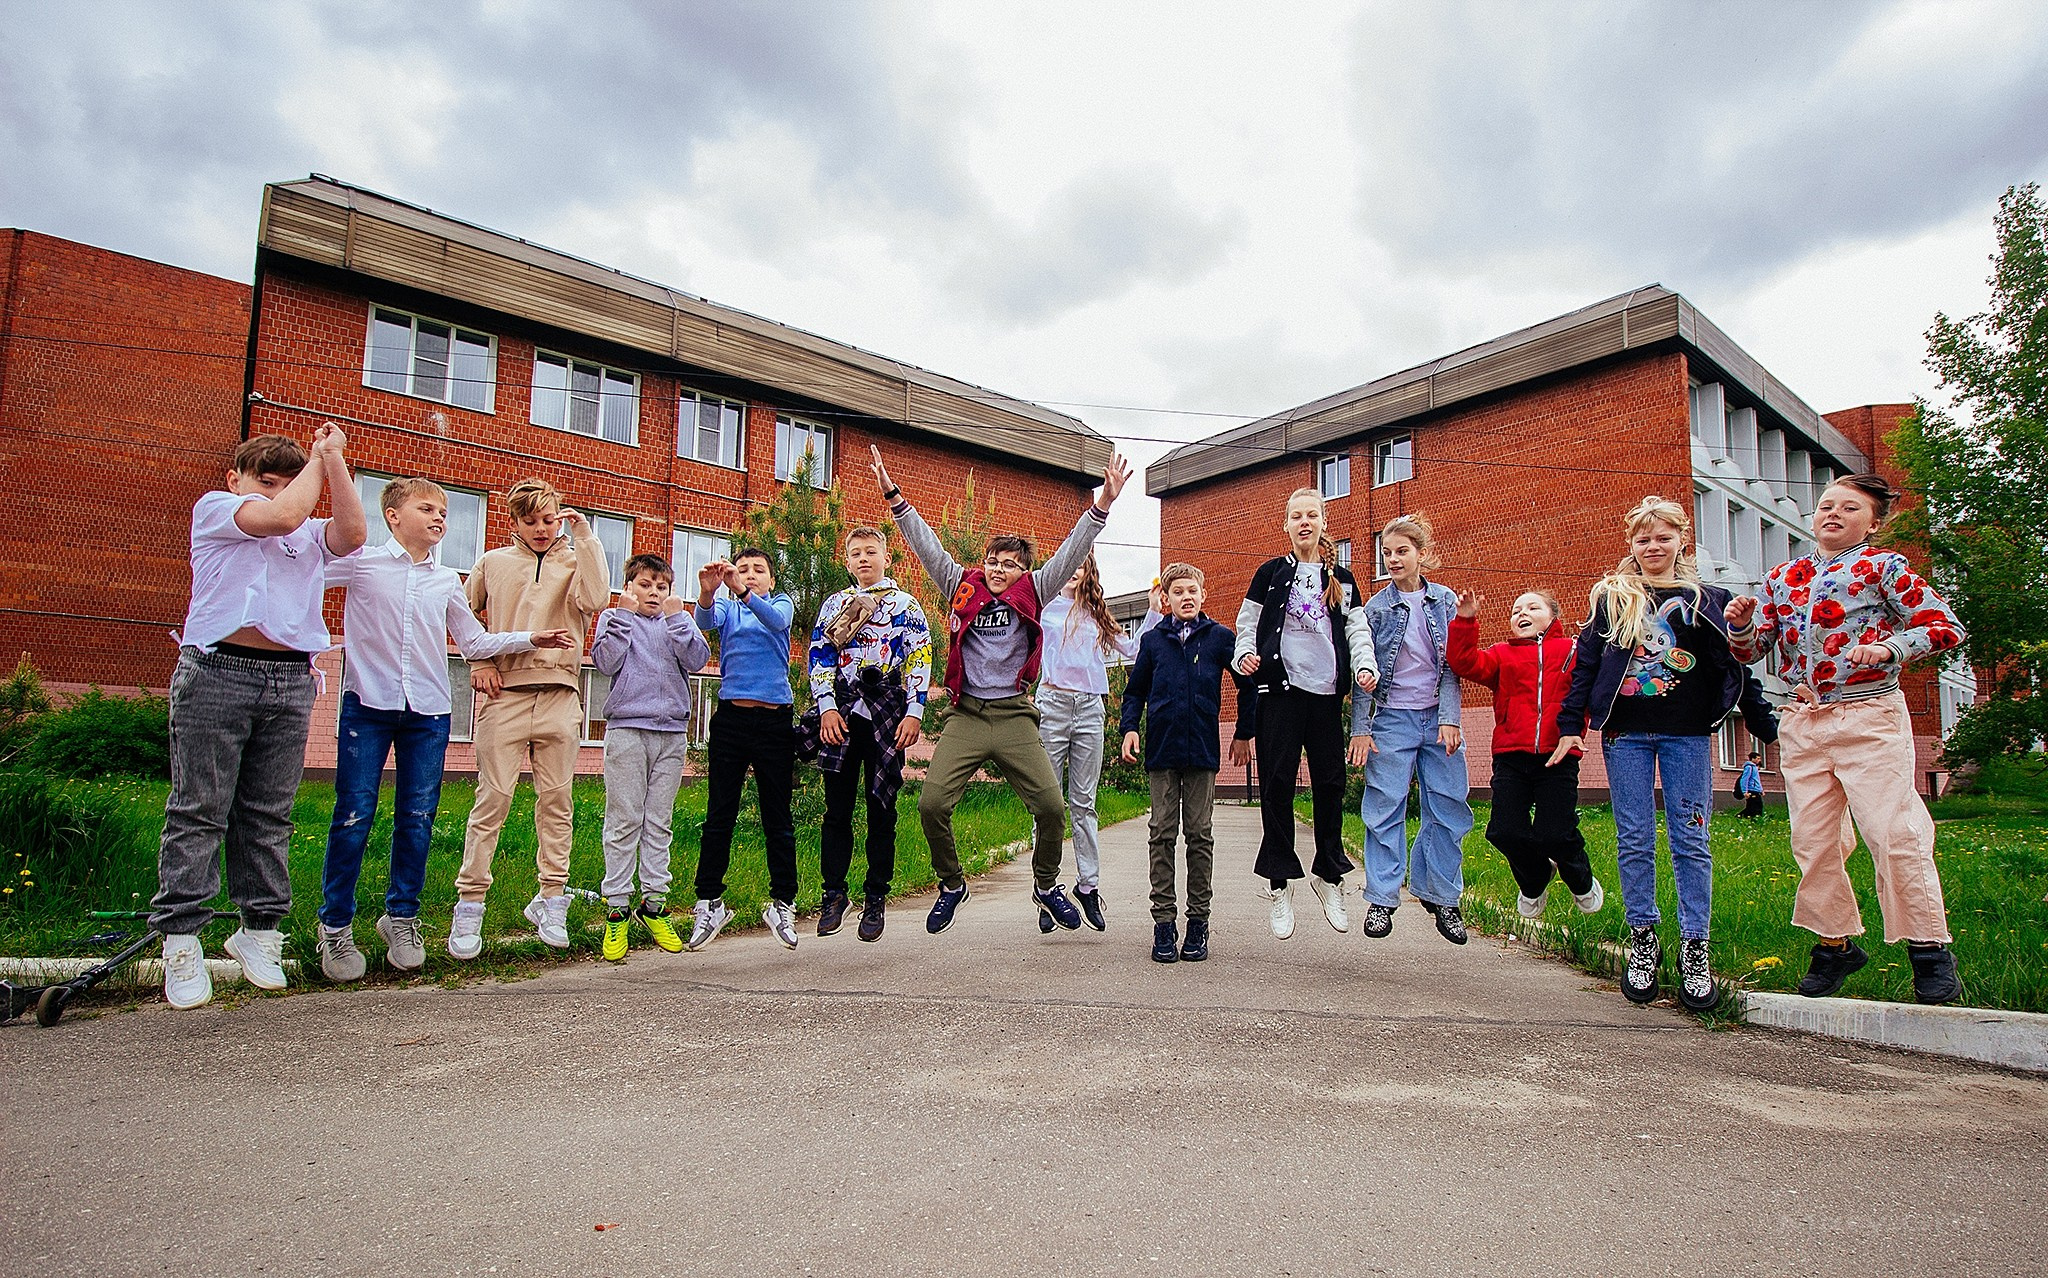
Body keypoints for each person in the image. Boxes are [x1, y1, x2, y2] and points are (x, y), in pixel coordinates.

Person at [871, 444, 1134, 935]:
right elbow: (926, 544)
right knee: (931, 805)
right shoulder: (960, 584)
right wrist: (893, 495)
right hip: (967, 716)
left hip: (1014, 716)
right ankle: (952, 885)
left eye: (1008, 564)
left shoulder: (1036, 589)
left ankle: (1046, 885)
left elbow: (1072, 550)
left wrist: (1103, 506)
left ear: (1022, 571)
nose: (996, 568)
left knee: (1054, 808)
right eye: (992, 560)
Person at [317, 477, 572, 981]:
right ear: (393, 515)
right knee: (354, 815)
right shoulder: (361, 563)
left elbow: (474, 641)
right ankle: (336, 926)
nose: (439, 518)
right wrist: (301, 646)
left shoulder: (443, 581)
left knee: (416, 819)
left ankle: (402, 916)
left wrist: (529, 638)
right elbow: (301, 578)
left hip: (428, 713)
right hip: (367, 706)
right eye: (427, 508)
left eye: (443, 511)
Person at [1726, 473, 1966, 1004]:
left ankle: (1928, 949)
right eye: (1827, 505)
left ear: (1872, 523)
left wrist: (1890, 649)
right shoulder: (1782, 577)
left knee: (1892, 832)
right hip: (1805, 720)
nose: (1833, 513)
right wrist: (1741, 626)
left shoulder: (1883, 567)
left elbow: (1943, 624)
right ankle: (1834, 945)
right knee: (1813, 841)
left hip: (1869, 718)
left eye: (1849, 508)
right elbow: (1751, 652)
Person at [154, 427, 367, 1009]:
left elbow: (351, 534)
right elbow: (277, 515)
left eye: (283, 480)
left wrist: (335, 459)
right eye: (264, 481)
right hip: (218, 672)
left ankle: (259, 932)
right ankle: (180, 939)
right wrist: (311, 469)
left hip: (291, 679)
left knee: (268, 815)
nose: (277, 491)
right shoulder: (219, 510)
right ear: (237, 481)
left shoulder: (308, 533)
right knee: (200, 808)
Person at [1552, 495, 1777, 1011]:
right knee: (1634, 838)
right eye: (1643, 539)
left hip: (1688, 737)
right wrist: (1571, 726)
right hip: (1625, 736)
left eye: (1663, 537)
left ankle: (1695, 947)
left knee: (1690, 838)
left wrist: (1764, 724)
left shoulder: (1708, 599)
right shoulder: (1613, 598)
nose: (1653, 546)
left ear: (1682, 540)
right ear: (1631, 544)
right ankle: (1644, 940)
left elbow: (1735, 666)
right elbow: (1585, 666)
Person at [452, 478, 609, 959]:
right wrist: (477, 661)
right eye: (530, 521)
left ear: (560, 515)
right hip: (507, 694)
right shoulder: (493, 563)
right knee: (492, 800)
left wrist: (585, 538)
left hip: (561, 693)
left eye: (548, 518)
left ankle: (552, 898)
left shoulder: (574, 559)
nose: (541, 529)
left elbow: (597, 599)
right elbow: (457, 609)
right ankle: (470, 904)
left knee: (557, 801)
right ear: (514, 522)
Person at [1233, 487, 1378, 940]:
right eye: (1296, 516)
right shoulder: (1271, 573)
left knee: (1330, 783)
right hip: (1280, 693)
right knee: (1276, 784)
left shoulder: (1344, 578)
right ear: (1286, 526)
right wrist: (1244, 656)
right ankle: (1279, 883)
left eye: (1311, 515)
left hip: (1325, 696)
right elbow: (1247, 624)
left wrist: (1365, 666)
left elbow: (1357, 630)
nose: (1304, 522)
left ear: (1322, 522)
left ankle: (1328, 876)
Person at [1445, 585, 1604, 921]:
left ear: (1553, 617)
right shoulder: (1502, 654)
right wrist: (1465, 620)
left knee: (1555, 834)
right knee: (1503, 830)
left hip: (1558, 756)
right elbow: (1463, 662)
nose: (1522, 614)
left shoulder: (1573, 652)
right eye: (1517, 610)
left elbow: (1590, 689)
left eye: (1532, 608)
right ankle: (1534, 881)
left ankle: (1581, 879)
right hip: (1511, 756)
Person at [1120, 563, 1248, 963]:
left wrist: (1245, 732)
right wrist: (1129, 729)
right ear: (1166, 599)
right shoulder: (1154, 642)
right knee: (1161, 833)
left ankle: (1198, 923)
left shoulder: (1219, 638)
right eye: (1178, 592)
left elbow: (1248, 684)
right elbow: (1134, 692)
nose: (1186, 597)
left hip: (1202, 753)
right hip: (1161, 751)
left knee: (1199, 835)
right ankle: (1163, 923)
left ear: (1203, 595)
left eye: (1192, 590)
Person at [808, 528, 931, 943]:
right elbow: (820, 654)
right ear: (847, 562)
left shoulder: (905, 606)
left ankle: (876, 896)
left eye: (871, 552)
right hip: (841, 713)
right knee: (836, 810)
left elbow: (919, 655)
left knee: (882, 810)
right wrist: (825, 705)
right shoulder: (835, 605)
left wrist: (915, 711)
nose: (864, 559)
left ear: (886, 558)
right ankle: (834, 894)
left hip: (887, 714)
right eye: (856, 553)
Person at [1356, 513, 1473, 945]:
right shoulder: (1376, 608)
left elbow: (1453, 666)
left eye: (1402, 551)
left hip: (1438, 720)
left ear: (1422, 555)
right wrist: (1360, 730)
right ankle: (1383, 899)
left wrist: (1450, 718)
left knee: (1448, 807)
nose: (1393, 559)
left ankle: (1442, 897)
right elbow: (1362, 670)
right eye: (1386, 553)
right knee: (1384, 807)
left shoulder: (1444, 602)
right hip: (1391, 720)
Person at [590, 553, 712, 961]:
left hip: (671, 734)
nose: (654, 593)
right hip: (627, 730)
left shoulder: (676, 622)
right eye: (645, 585)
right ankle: (617, 909)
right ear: (629, 587)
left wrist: (681, 620)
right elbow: (605, 662)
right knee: (624, 820)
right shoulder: (614, 618)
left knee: (659, 822)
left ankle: (654, 904)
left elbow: (698, 661)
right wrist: (623, 616)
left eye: (662, 586)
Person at [1036, 555, 1159, 932]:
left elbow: (1134, 650)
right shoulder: (1042, 608)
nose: (1075, 571)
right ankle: (1045, 892)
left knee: (1083, 803)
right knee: (1048, 804)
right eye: (1069, 564)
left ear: (1089, 573)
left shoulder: (1096, 614)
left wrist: (1153, 611)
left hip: (1090, 706)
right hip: (1052, 705)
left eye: (1082, 566)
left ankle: (1088, 886)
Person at [691, 548, 800, 951]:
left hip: (774, 722)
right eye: (743, 570)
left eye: (759, 570)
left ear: (771, 579)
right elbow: (705, 622)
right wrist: (707, 593)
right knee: (720, 813)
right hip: (732, 720)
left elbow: (778, 623)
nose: (750, 575)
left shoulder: (779, 602)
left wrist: (742, 591)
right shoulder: (726, 605)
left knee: (778, 816)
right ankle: (709, 901)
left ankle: (783, 902)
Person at [1736, 752, 1766, 820]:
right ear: (1753, 759)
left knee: (1758, 806)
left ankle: (1754, 819)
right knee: (1752, 807)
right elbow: (1744, 779)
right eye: (1758, 758)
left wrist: (1761, 790)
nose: (1759, 760)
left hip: (1756, 790)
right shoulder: (1749, 767)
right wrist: (1745, 791)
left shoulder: (1755, 768)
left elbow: (1757, 780)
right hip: (1751, 790)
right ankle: (1740, 817)